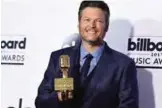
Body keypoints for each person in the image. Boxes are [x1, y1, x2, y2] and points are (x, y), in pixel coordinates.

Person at [35, 0, 139, 108]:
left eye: (98, 21)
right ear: (79, 24)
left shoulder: (123, 65)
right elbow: (41, 101)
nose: (92, 25)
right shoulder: (58, 57)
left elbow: (128, 105)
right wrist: (59, 97)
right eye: (87, 20)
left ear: (106, 27)